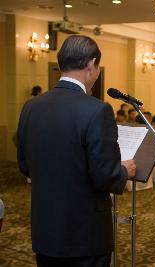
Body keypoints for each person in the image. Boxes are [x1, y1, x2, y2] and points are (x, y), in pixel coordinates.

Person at [16, 35, 136, 267]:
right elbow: (106, 177)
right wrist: (124, 171)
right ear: (91, 64)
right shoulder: (97, 110)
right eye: (98, 66)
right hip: (85, 234)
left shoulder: (31, 107)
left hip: (46, 229)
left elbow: (24, 165)